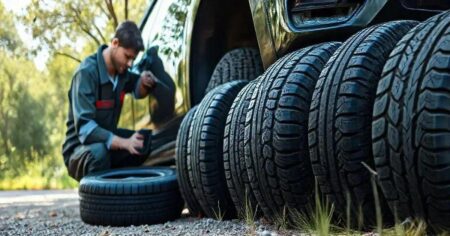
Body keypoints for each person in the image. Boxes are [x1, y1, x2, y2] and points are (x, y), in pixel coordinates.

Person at [62, 21, 157, 181]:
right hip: (79, 150)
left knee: (142, 143)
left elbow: (136, 89)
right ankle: (96, 201)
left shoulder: (122, 73)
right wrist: (124, 143)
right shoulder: (86, 73)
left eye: (133, 59)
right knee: (99, 153)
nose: (129, 64)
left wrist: (144, 81)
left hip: (105, 144)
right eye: (127, 57)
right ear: (114, 43)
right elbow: (86, 129)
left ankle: (120, 194)